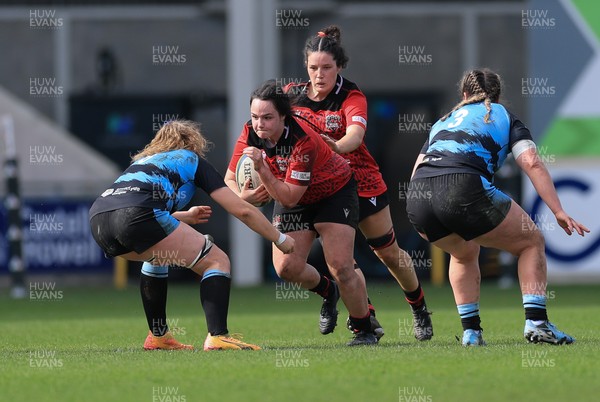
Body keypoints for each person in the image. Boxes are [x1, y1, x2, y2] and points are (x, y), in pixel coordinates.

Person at [406, 68, 589, 346]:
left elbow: (417, 170)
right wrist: (558, 211)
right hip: (462, 187)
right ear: (498, 96)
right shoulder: (505, 117)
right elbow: (532, 163)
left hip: (418, 199)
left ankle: (471, 333)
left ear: (464, 95)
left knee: (464, 251)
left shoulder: (442, 122)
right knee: (531, 241)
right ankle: (537, 323)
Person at [89, 120, 295, 351]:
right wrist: (280, 239)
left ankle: (158, 337)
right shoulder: (191, 159)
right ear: (193, 144)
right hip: (137, 217)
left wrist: (185, 216)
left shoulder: (144, 162)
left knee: (158, 257)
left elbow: (133, 206)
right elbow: (243, 211)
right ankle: (218, 336)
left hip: (98, 220)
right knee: (217, 260)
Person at [283, 25, 433, 341]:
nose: (319, 75)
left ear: (340, 67)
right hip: (319, 190)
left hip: (360, 181)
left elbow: (355, 135)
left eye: (326, 68)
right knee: (336, 262)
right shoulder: (291, 97)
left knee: (388, 253)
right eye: (313, 68)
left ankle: (418, 306)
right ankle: (363, 315)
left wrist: (336, 146)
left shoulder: (351, 96)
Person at [224, 80, 378, 346]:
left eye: (268, 118)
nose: (260, 124)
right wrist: (243, 196)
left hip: (333, 192)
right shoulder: (250, 132)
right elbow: (229, 178)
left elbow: (289, 197)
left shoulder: (301, 139)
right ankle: (329, 292)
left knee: (340, 265)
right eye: (255, 117)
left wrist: (263, 171)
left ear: (284, 116)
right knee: (286, 267)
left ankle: (364, 329)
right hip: (287, 189)